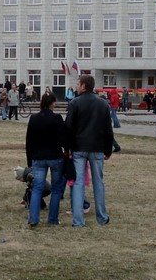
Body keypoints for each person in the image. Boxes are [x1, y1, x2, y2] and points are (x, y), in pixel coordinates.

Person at [64, 74, 114, 227]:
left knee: (78, 183)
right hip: (97, 148)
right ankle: (102, 217)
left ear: (84, 85)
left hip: (79, 148)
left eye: (78, 84)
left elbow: (68, 128)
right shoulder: (103, 104)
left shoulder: (74, 103)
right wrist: (108, 149)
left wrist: (68, 149)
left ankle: (78, 220)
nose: (76, 86)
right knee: (98, 182)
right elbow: (108, 129)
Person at [25, 91, 68, 227]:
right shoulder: (57, 118)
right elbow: (63, 138)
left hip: (38, 157)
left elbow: (29, 141)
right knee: (56, 189)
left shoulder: (34, 118)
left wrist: (29, 160)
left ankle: (33, 218)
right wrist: (66, 150)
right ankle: (53, 219)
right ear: (53, 103)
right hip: (55, 156)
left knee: (37, 188)